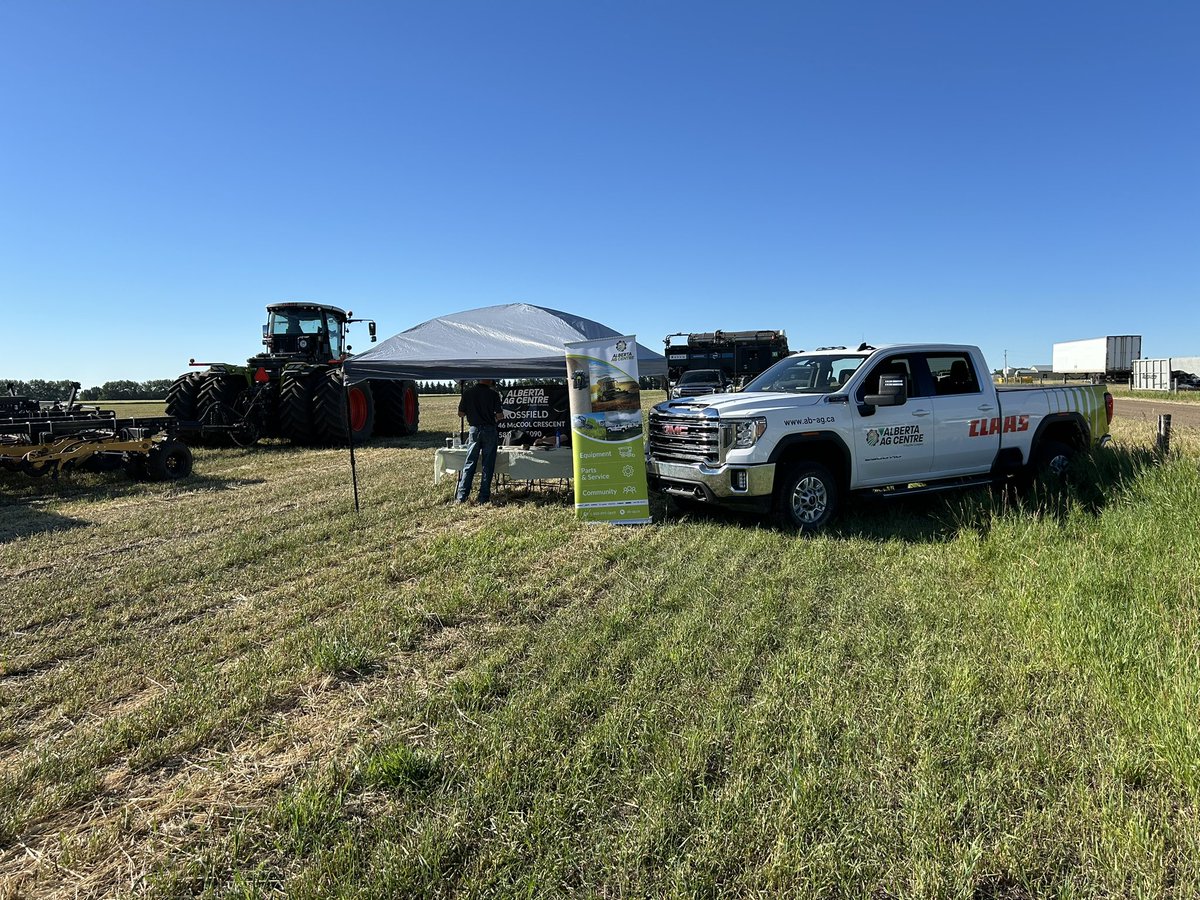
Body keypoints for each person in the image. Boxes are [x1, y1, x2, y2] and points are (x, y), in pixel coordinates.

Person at [455, 378, 505, 504]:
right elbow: (500, 416)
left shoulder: (468, 393)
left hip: (474, 429)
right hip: (489, 430)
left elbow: (460, 413)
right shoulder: (493, 394)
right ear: (489, 381)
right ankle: (483, 497)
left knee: (470, 462)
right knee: (487, 464)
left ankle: (461, 496)